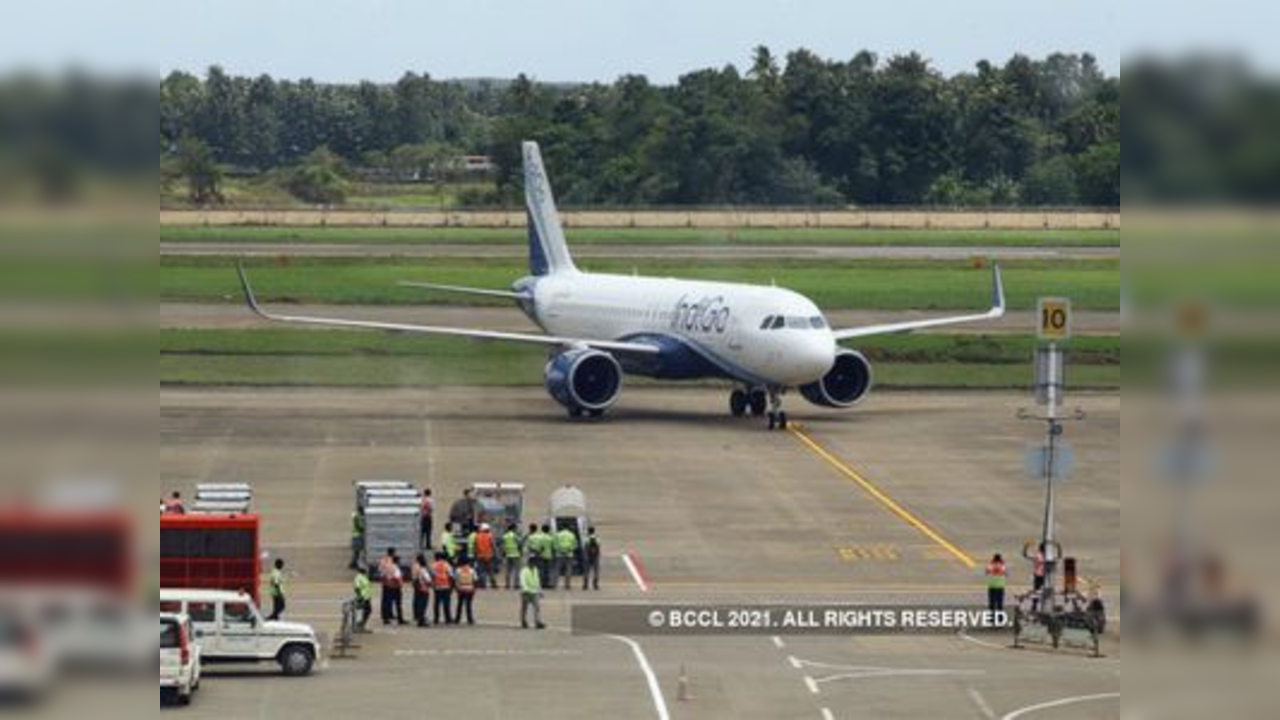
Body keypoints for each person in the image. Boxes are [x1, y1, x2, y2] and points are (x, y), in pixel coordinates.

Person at [378, 548, 406, 626]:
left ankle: (385, 616)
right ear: (393, 553)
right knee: (395, 602)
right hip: (393, 584)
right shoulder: (393, 563)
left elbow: (380, 570)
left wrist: (384, 577)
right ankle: (393, 617)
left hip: (385, 582)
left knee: (385, 600)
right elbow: (396, 576)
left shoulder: (383, 560)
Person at [470, 523, 499, 589]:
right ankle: (493, 584)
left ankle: (483, 584)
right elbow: (493, 546)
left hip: (479, 556)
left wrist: (475, 555)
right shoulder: (489, 536)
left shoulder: (477, 536)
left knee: (481, 571)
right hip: (489, 556)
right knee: (490, 571)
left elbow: (474, 547)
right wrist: (496, 555)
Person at [430, 552, 455, 625]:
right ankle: (447, 618)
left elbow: (432, 576)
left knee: (437, 603)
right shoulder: (447, 565)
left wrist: (433, 585)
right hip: (446, 586)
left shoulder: (433, 565)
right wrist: (451, 586)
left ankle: (436, 619)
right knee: (446, 603)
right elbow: (451, 576)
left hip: (437, 586)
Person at [519, 560, 545, 630]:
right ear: (529, 563)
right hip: (526, 593)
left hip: (534, 592)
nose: (533, 565)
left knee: (537, 607)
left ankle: (537, 622)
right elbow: (522, 580)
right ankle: (523, 621)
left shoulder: (535, 570)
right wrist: (525, 589)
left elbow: (537, 580)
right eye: (532, 564)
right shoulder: (524, 571)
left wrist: (540, 590)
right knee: (525, 608)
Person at [454, 558, 478, 625]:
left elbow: (455, 579)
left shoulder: (458, 570)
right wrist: (474, 588)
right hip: (469, 588)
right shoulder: (471, 570)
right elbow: (475, 580)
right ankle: (470, 619)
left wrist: (456, 588)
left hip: (461, 588)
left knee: (460, 604)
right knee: (468, 605)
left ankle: (457, 619)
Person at [554, 525, 578, 590]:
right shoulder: (572, 535)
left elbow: (555, 545)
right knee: (568, 569)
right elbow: (575, 545)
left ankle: (555, 584)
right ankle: (567, 584)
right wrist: (569, 550)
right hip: (569, 554)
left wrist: (561, 550)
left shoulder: (558, 534)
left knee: (557, 569)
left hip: (559, 554)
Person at [411, 553, 431, 627]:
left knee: (418, 603)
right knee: (423, 605)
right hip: (423, 588)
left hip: (418, 586)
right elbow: (428, 580)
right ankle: (421, 620)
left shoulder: (415, 566)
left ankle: (419, 617)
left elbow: (415, 578)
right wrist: (429, 584)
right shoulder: (423, 569)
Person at [502, 523, 524, 590]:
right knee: (517, 570)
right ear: (514, 528)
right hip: (515, 554)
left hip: (508, 554)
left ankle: (507, 584)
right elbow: (520, 543)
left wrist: (504, 553)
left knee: (508, 570)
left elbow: (503, 546)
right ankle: (516, 584)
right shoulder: (515, 535)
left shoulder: (505, 536)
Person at [535, 524, 555, 589]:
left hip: (541, 556)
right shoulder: (550, 538)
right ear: (548, 530)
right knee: (549, 570)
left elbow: (538, 547)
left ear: (542, 530)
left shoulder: (539, 537)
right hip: (549, 555)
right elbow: (553, 547)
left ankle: (541, 584)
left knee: (541, 570)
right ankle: (549, 584)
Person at [582, 526, 601, 591]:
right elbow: (598, 547)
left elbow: (585, 548)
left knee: (586, 571)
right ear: (594, 531)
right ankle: (595, 584)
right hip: (595, 557)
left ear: (588, 531)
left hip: (587, 557)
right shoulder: (597, 538)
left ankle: (585, 584)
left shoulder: (586, 538)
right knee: (596, 571)